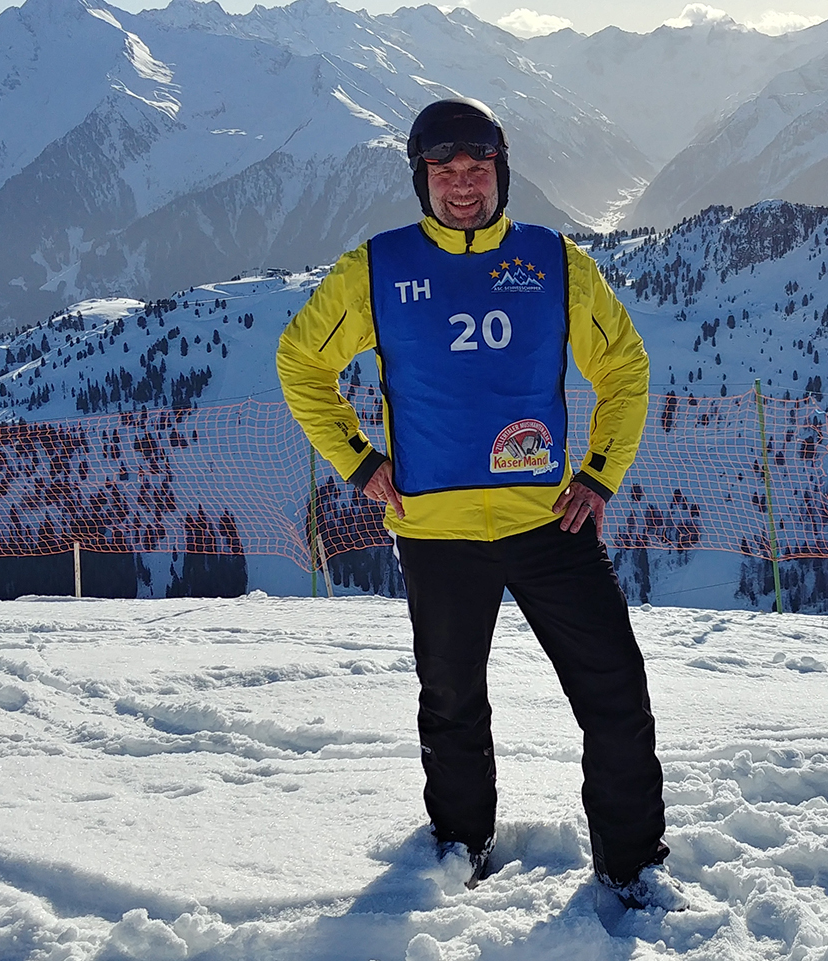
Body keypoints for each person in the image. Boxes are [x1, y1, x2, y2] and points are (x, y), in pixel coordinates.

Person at [275, 98, 676, 908]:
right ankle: (461, 844)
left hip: (548, 523)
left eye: (477, 167)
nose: (463, 184)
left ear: (502, 171)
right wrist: (359, 462)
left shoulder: (553, 261)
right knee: (452, 701)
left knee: (615, 691)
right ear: (421, 179)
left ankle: (630, 865)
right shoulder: (377, 267)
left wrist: (598, 474)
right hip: (435, 531)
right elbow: (300, 361)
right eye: (444, 170)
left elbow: (624, 367)